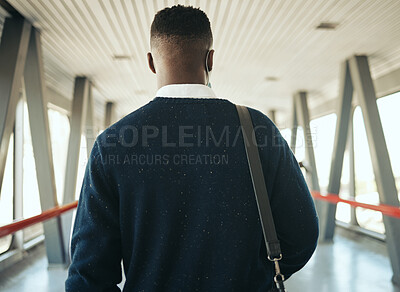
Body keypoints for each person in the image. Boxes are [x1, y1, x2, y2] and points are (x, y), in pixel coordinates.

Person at [65, 5, 319, 291]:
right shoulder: (257, 130)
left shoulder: (111, 143)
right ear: (210, 59)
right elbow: (302, 235)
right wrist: (252, 276)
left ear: (150, 62)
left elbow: (88, 275)